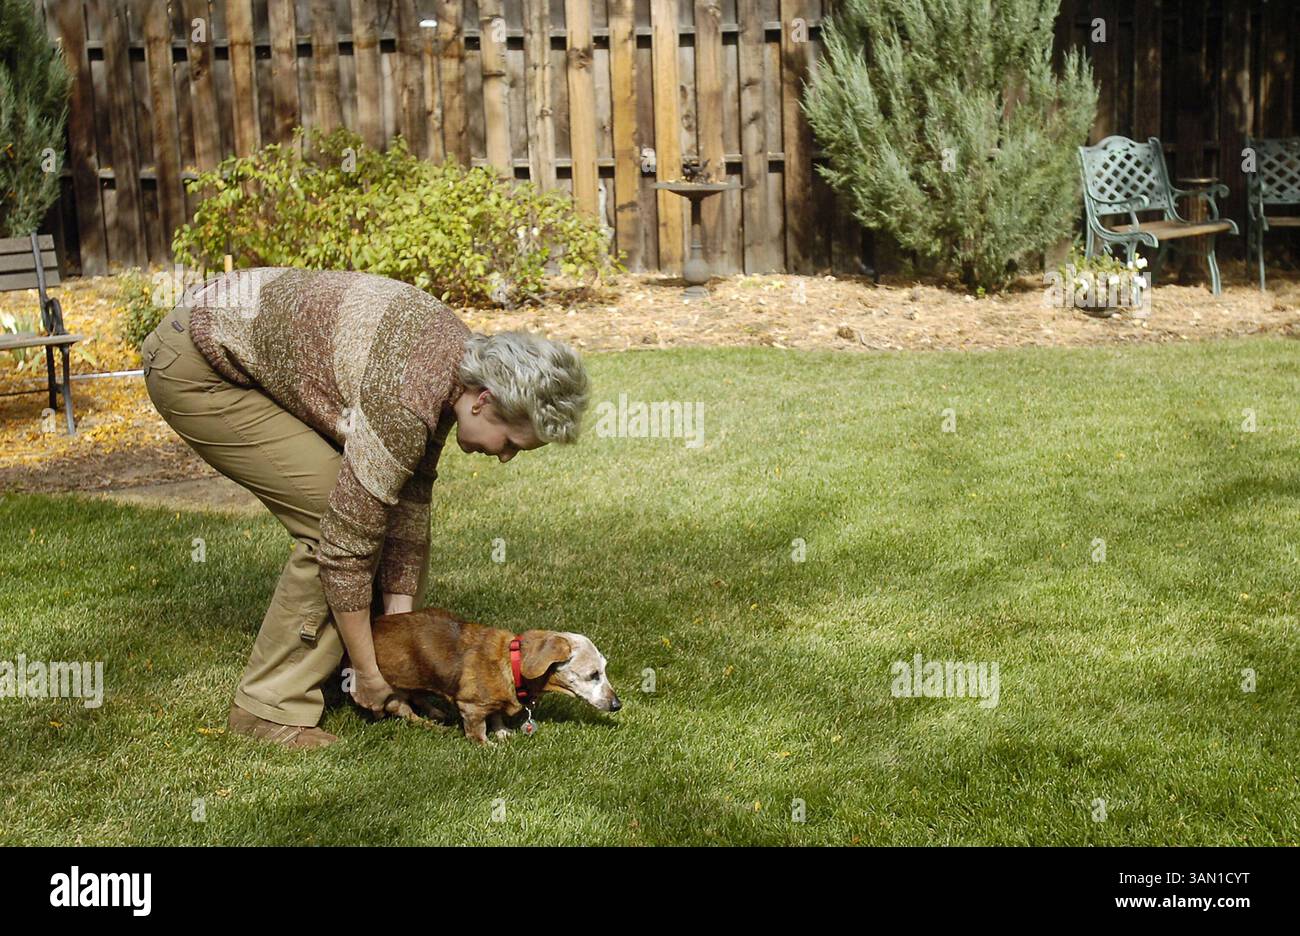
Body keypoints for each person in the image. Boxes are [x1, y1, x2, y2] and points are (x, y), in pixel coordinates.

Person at [141, 267, 590, 749]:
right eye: (513, 444)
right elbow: (346, 544)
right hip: (197, 363)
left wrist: (404, 646)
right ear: (485, 401)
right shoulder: (409, 391)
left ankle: (360, 669)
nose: (505, 457)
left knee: (377, 510)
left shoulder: (456, 370)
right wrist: (371, 672)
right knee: (331, 517)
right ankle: (267, 708)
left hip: (232, 343)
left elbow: (409, 506)